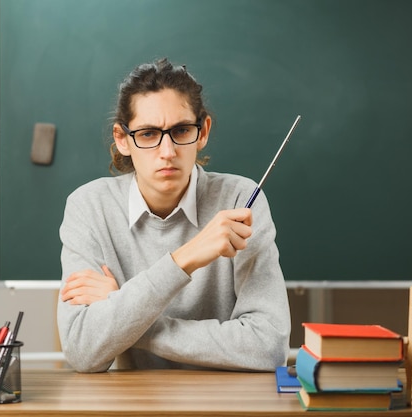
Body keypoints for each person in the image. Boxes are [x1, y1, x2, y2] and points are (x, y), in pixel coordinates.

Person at [57, 58, 291, 373]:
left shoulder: (240, 200)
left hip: (224, 402)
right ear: (122, 139)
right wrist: (185, 258)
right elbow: (83, 350)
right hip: (130, 404)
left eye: (181, 130)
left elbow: (269, 347)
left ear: (203, 131)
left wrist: (125, 315)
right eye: (149, 134)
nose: (167, 152)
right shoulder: (88, 206)